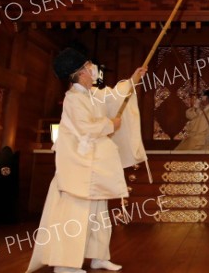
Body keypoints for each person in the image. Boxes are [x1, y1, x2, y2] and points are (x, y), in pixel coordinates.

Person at [26, 48, 147, 273]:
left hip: (95, 167)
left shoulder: (92, 95)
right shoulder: (73, 99)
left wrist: (132, 80)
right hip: (78, 170)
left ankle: (98, 256)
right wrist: (111, 125)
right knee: (75, 217)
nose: (93, 70)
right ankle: (65, 265)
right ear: (81, 73)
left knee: (99, 215)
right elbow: (84, 128)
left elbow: (112, 96)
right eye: (89, 67)